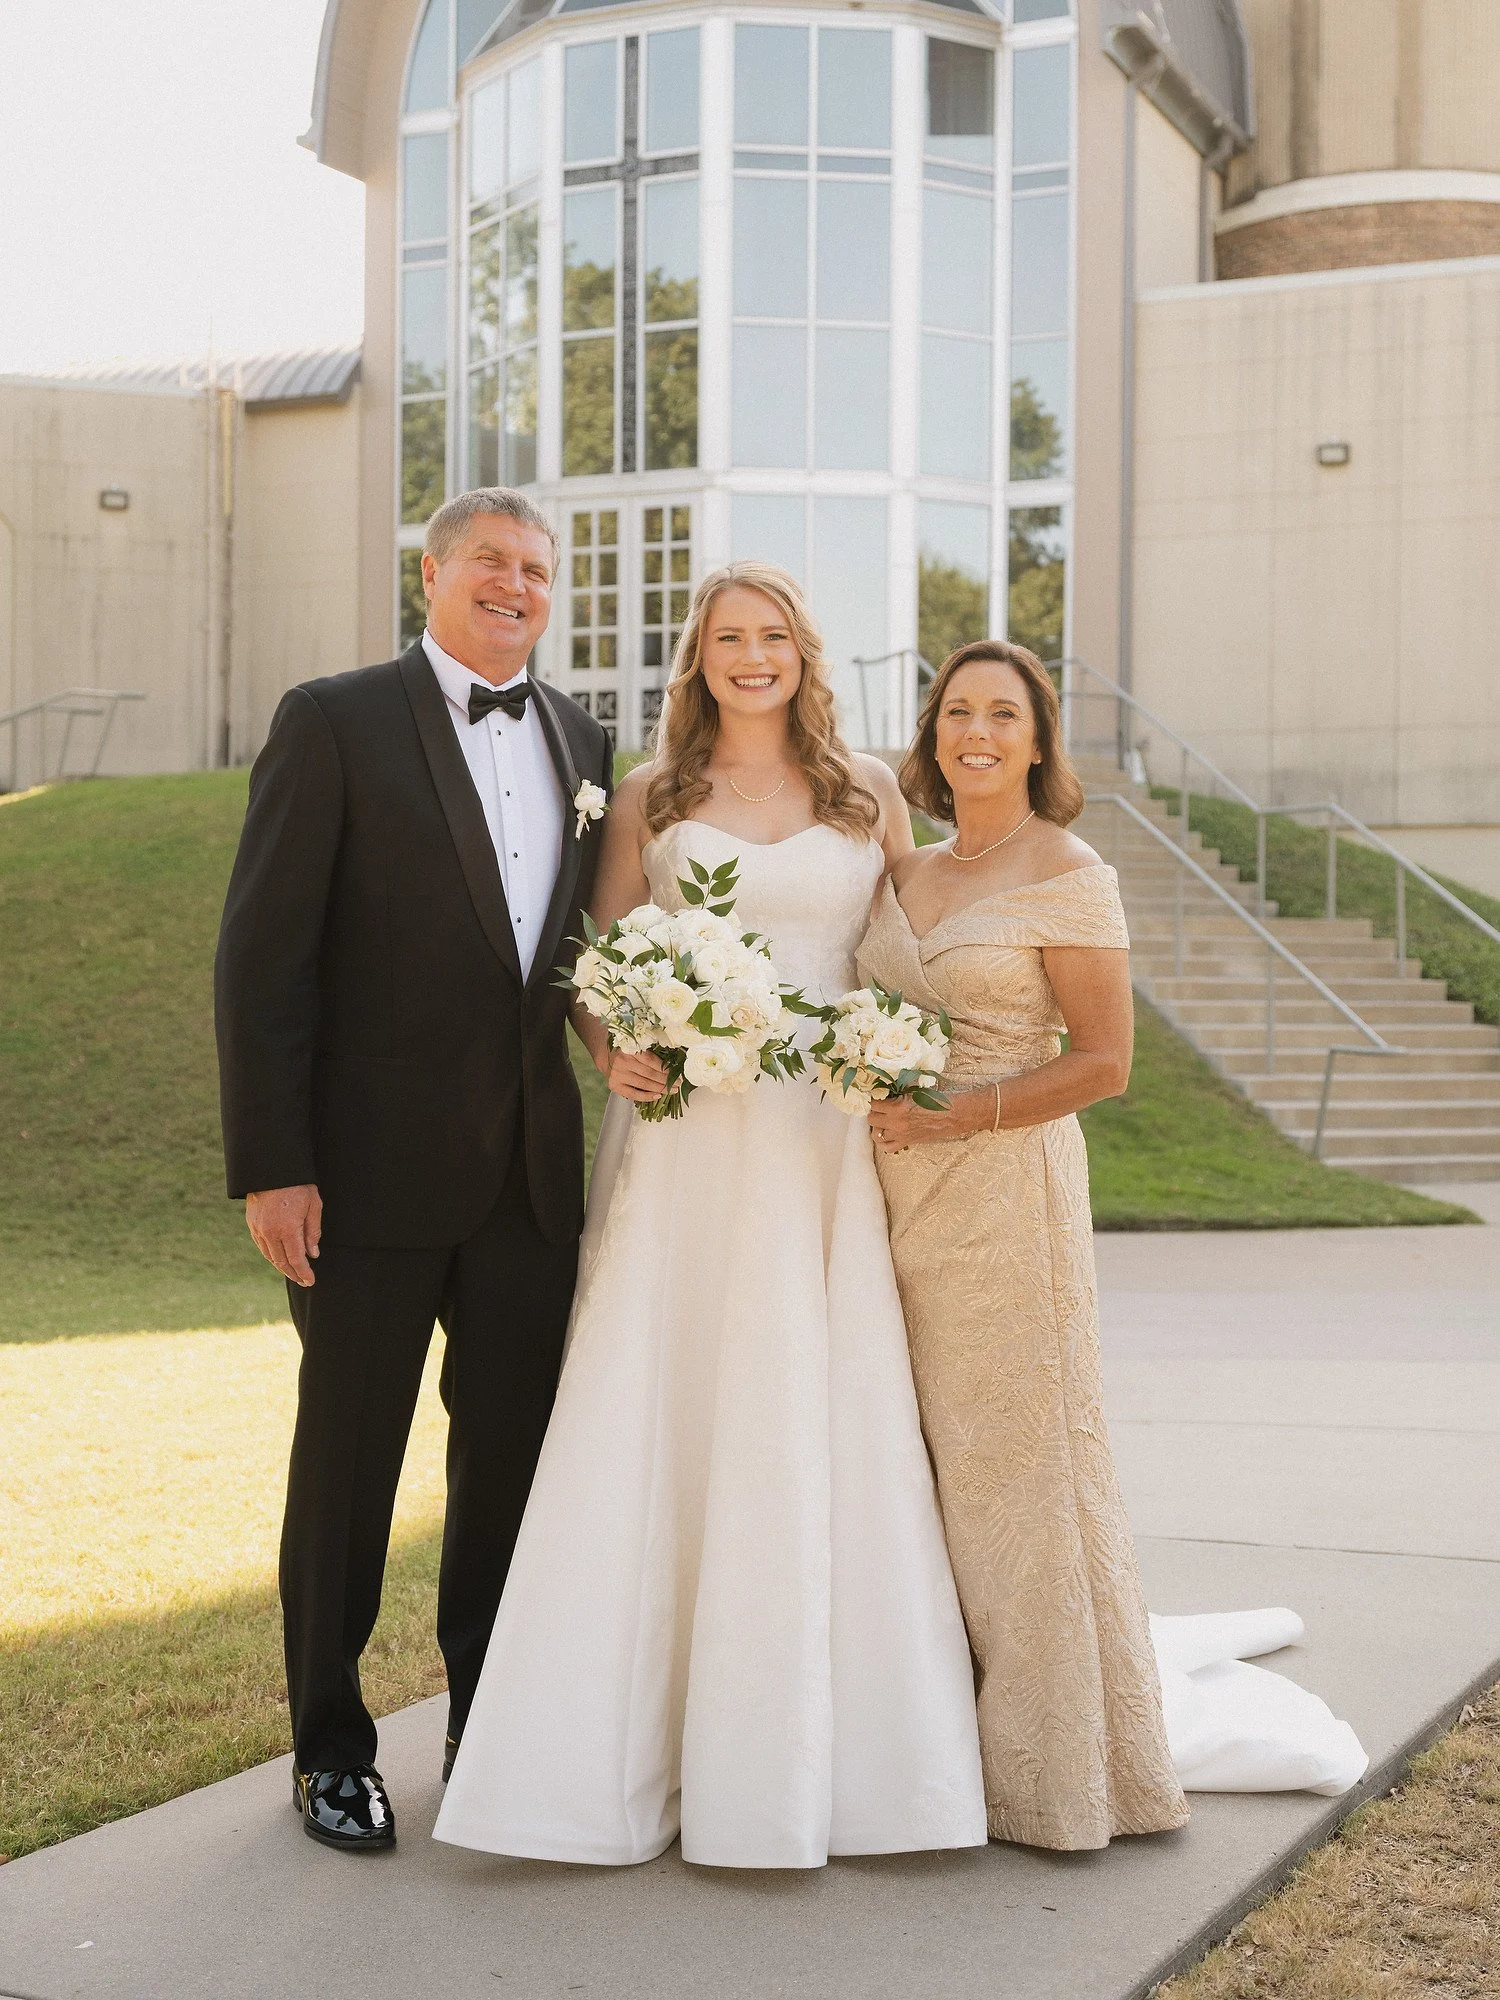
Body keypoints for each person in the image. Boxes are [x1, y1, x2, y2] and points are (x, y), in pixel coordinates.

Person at [433, 563, 987, 1868]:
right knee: (664, 1400)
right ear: (701, 658)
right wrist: (617, 1045)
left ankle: (828, 1756)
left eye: (775, 637)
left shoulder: (869, 796)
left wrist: (906, 1049)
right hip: (687, 1136)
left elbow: (911, 957)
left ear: (805, 654)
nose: (753, 657)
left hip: (818, 1143)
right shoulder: (652, 799)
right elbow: (600, 962)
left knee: (815, 1396)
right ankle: (613, 1752)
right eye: (731, 638)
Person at [856, 639, 1365, 1850]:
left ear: (1039, 740)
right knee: (912, 1477)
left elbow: (1105, 1062)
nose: (978, 731)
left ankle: (1055, 1770)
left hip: (1002, 1201)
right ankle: (935, 1741)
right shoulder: (909, 868)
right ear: (931, 733)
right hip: (884, 1199)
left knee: (1013, 1480)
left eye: (1005, 714)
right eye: (958, 711)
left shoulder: (1069, 869)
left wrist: (960, 1114)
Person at [214, 487, 613, 1853]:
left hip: (530, 1189)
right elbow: (262, 962)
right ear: (431, 572)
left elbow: (574, 966)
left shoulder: (582, 738)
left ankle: (486, 1727)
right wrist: (275, 1165)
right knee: (348, 1467)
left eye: (539, 570)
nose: (516, 585)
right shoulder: (331, 720)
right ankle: (330, 1746)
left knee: (508, 1465)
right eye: (492, 562)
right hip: (363, 1185)